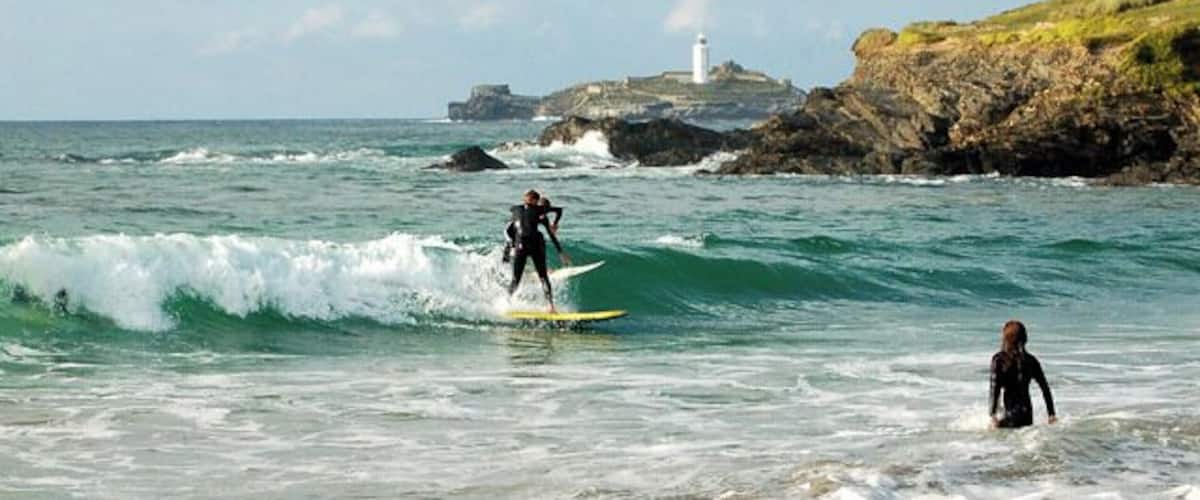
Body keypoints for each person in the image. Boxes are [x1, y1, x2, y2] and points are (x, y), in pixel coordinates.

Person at [505, 190, 570, 312]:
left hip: (520, 245)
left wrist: (508, 250)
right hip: (533, 245)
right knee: (543, 277)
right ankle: (551, 307)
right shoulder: (538, 210)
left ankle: (507, 302)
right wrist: (560, 252)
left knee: (516, 279)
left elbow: (512, 230)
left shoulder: (515, 209)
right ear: (535, 201)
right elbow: (558, 212)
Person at [989, 320, 1057, 429]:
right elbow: (1045, 388)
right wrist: (1051, 414)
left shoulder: (999, 360)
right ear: (1025, 339)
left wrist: (993, 415)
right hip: (1027, 415)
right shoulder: (1031, 361)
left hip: (1010, 415)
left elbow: (994, 389)